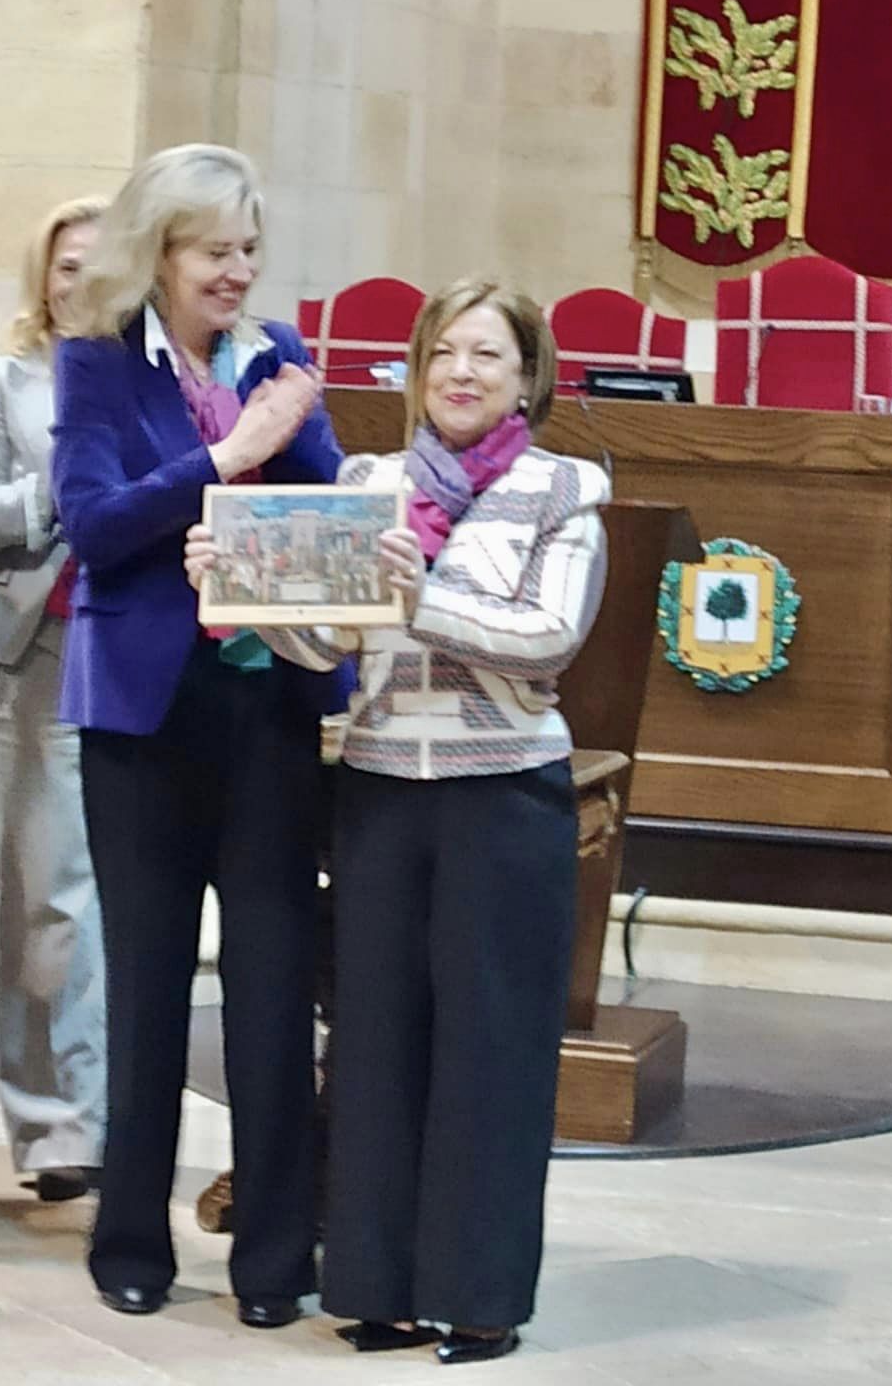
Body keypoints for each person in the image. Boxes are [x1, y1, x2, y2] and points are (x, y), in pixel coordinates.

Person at [190, 278, 609, 1365]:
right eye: (443, 355)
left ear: (528, 376)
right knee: (373, 1046)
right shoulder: (366, 481)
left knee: (492, 1052)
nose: (461, 373)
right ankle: (372, 1283)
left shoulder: (563, 488)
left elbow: (548, 637)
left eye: (487, 355)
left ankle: (477, 1297)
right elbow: (326, 645)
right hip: (378, 788)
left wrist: (418, 596)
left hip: (503, 795)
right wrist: (244, 595)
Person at [53, 143, 344, 1326]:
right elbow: (97, 524)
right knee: (149, 987)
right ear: (160, 251)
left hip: (268, 708)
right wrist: (229, 452)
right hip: (145, 718)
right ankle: (128, 1239)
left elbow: (330, 511)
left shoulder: (279, 361)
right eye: (216, 249)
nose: (238, 271)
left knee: (273, 988)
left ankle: (274, 1255)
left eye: (248, 250)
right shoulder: (95, 365)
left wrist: (298, 445)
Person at [0, 195, 107, 1204]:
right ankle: (56, 1126)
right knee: (46, 896)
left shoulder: (156, 375)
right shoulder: (1, 377)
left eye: (100, 266)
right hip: (40, 643)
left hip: (141, 647)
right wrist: (62, 486)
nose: (80, 284)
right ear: (40, 278)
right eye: (64, 267)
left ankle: (120, 1110)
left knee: (120, 898)